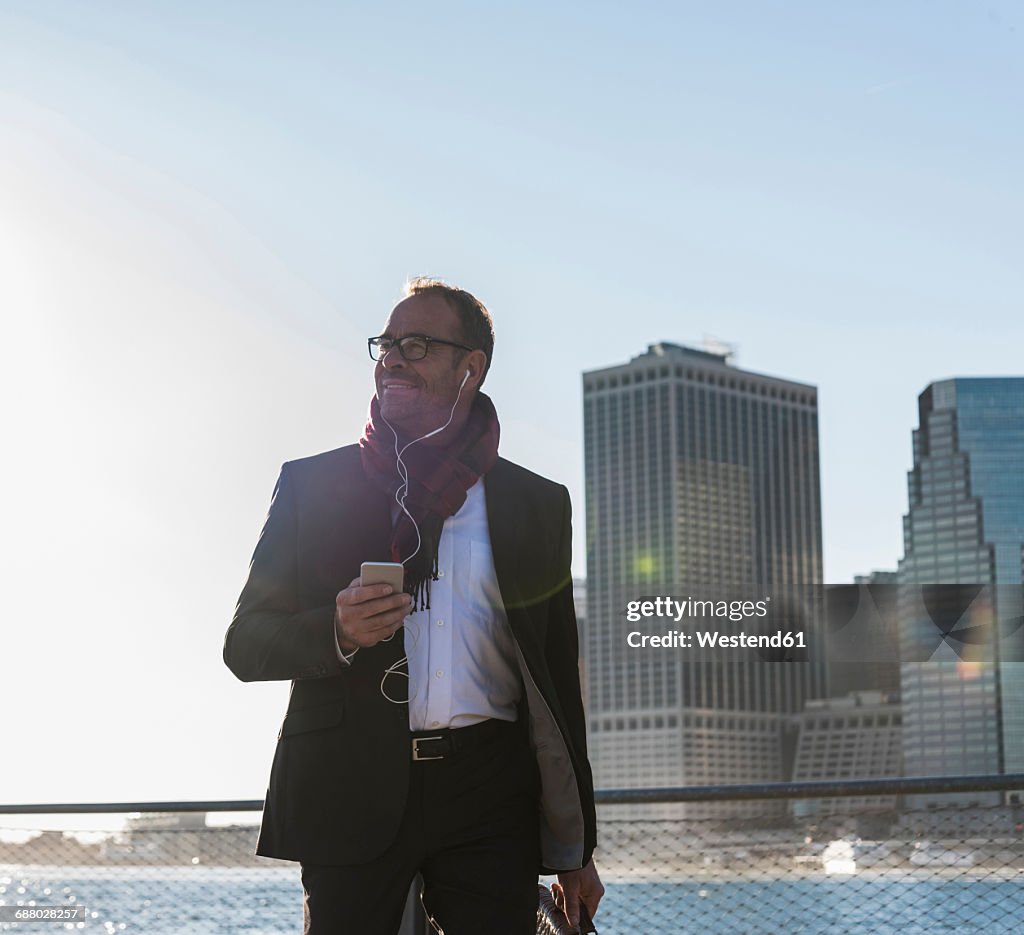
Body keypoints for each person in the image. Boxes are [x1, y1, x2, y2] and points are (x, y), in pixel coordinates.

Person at [224, 278, 603, 935]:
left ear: (471, 368)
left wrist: (578, 848)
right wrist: (335, 629)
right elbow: (245, 644)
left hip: (492, 795)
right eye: (386, 344)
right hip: (350, 786)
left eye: (417, 344)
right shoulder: (313, 486)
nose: (392, 358)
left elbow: (557, 681)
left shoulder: (538, 505)